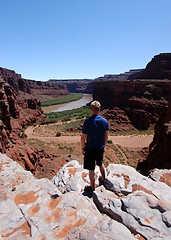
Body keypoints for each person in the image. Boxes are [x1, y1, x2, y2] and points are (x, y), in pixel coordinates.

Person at [81, 100, 109, 193]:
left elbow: (83, 138)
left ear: (91, 109)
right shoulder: (104, 121)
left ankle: (93, 188)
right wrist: (104, 146)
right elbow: (106, 136)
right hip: (100, 148)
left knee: (91, 170)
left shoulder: (87, 121)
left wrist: (82, 148)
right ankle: (104, 180)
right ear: (100, 109)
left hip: (89, 148)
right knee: (100, 164)